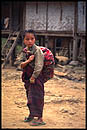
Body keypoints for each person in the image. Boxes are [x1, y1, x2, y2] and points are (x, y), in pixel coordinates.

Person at [21, 29, 55, 126]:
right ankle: (31, 115)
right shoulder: (25, 51)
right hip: (28, 76)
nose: (30, 41)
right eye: (27, 39)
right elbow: (21, 65)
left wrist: (34, 76)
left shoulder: (37, 51)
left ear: (35, 39)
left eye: (32, 39)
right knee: (30, 95)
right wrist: (28, 61)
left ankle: (40, 118)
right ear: (24, 40)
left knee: (38, 96)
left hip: (36, 77)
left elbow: (39, 66)